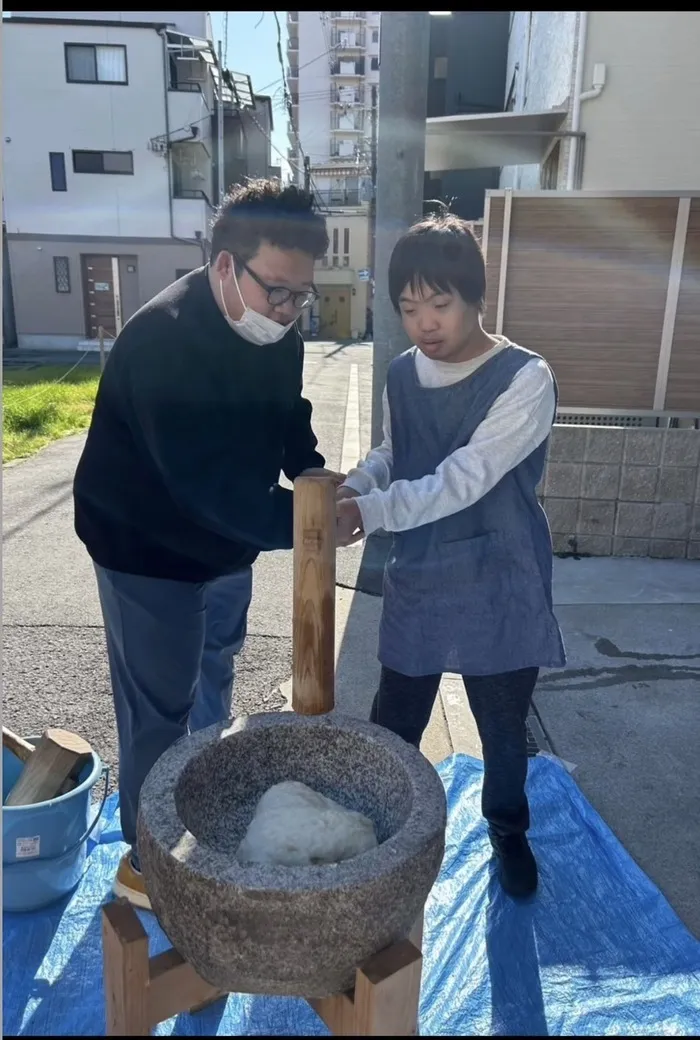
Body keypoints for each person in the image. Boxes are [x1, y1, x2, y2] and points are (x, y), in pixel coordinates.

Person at [74, 179, 342, 908]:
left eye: (301, 298)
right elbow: (203, 488)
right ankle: (148, 863)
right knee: (157, 708)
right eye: (276, 292)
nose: (288, 312)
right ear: (226, 265)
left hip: (227, 540)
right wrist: (307, 521)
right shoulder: (163, 339)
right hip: (144, 546)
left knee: (214, 670)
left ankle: (205, 796)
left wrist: (308, 470)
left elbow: (286, 410)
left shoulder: (275, 326)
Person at [336, 213, 565, 898]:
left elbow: (465, 478)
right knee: (396, 717)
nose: (424, 322)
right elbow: (394, 451)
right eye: (409, 307)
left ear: (475, 298)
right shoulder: (405, 372)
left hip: (501, 576)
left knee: (501, 727)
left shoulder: (526, 377)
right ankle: (377, 831)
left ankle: (507, 831)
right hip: (424, 573)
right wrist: (355, 483)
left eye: (440, 303)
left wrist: (372, 512)